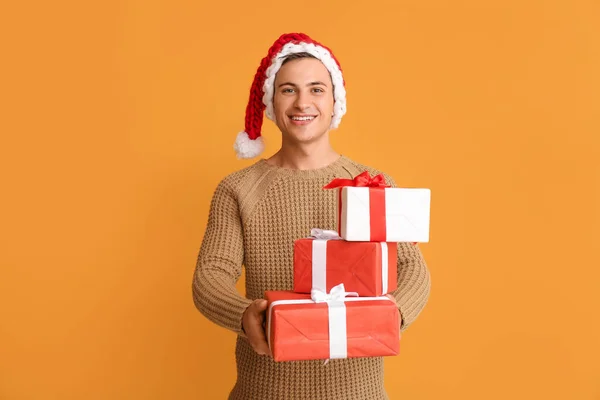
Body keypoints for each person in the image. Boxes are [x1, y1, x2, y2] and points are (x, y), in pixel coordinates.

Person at [192, 32, 431, 400]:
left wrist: (390, 315)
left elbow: (412, 268)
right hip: (265, 391)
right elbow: (211, 275)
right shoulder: (238, 189)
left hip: (358, 392)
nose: (302, 102)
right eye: (288, 90)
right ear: (272, 102)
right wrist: (243, 314)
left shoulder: (370, 185)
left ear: (335, 101)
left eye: (316, 89)